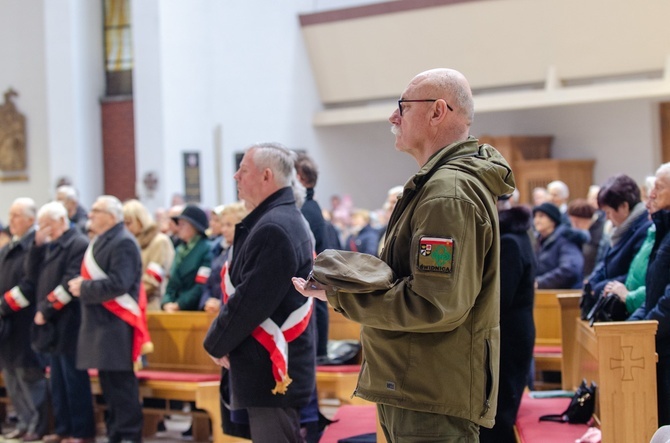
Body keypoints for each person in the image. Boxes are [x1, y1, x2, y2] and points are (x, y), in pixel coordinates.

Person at [293, 68, 515, 441]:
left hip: (429, 391)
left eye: (402, 107)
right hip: (421, 383)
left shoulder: (448, 193)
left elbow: (434, 303)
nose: (393, 118)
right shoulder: (439, 185)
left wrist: (342, 295)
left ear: (437, 111)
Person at [203, 143, 316, 443]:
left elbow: (250, 301)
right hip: (265, 364)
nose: (235, 175)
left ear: (266, 176)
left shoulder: (275, 227)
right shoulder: (277, 219)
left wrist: (215, 342)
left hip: (271, 367)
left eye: (243, 170)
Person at [67, 195, 147, 443]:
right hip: (101, 326)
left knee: (122, 389)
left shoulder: (123, 242)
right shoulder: (102, 240)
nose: (89, 215)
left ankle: (130, 436)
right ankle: (115, 435)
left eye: (95, 210)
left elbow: (119, 283)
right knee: (109, 389)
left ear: (111, 216)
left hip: (116, 326)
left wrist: (85, 288)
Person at [28, 201, 96, 443]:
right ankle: (63, 427)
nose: (44, 229)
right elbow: (32, 275)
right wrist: (36, 246)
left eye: (47, 224)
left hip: (70, 321)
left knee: (74, 379)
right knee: (57, 380)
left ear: (60, 220)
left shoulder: (77, 244)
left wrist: (46, 309)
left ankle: (81, 431)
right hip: (53, 325)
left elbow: (70, 282)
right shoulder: (50, 245)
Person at [480, 201, 536, 443]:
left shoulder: (510, 241)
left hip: (509, 335)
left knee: (501, 408)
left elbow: (500, 297)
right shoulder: (517, 235)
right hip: (513, 331)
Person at [0, 198, 49, 441]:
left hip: (25, 320)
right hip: (7, 324)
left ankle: (37, 425)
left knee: (29, 375)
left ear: (31, 219)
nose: (11, 220)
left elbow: (30, 284)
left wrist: (3, 305)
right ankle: (22, 420)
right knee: (11, 375)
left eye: (17, 215)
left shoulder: (36, 246)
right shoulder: (9, 247)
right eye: (10, 215)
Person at [629, 163, 670, 426]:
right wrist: (633, 327)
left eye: (660, 186)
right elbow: (654, 289)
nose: (651, 193)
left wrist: (647, 328)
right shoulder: (663, 230)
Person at [586, 174, 651, 298]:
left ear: (624, 207)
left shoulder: (644, 229)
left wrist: (601, 286)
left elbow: (635, 275)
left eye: (608, 212)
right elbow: (604, 263)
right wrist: (592, 282)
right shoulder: (620, 229)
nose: (607, 218)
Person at [123, 199, 175, 311]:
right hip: (131, 304)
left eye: (128, 223)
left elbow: (153, 279)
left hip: (151, 305)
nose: (125, 228)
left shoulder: (159, 241)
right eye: (123, 224)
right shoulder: (128, 243)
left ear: (141, 221)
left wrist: (128, 296)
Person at [161, 204, 212, 312]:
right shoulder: (179, 249)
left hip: (193, 310)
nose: (178, 228)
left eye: (183, 224)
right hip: (173, 308)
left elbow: (201, 285)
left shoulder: (206, 249)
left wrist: (179, 304)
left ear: (195, 226)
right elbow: (171, 282)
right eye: (178, 224)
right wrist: (166, 302)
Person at [199, 202, 248, 312]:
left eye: (229, 225)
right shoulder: (217, 249)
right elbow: (208, 281)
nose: (224, 230)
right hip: (213, 310)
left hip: (231, 310)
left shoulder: (245, 251)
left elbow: (241, 287)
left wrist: (221, 303)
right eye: (223, 225)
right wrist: (207, 301)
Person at [532, 202, 584, 289]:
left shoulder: (565, 240)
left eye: (541, 216)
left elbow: (570, 270)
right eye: (535, 216)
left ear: (553, 221)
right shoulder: (539, 241)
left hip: (563, 294)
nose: (536, 220)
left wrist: (539, 282)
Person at [567, 198, 608, 276]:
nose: (575, 226)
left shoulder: (601, 230)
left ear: (588, 219)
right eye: (572, 222)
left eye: (577, 222)